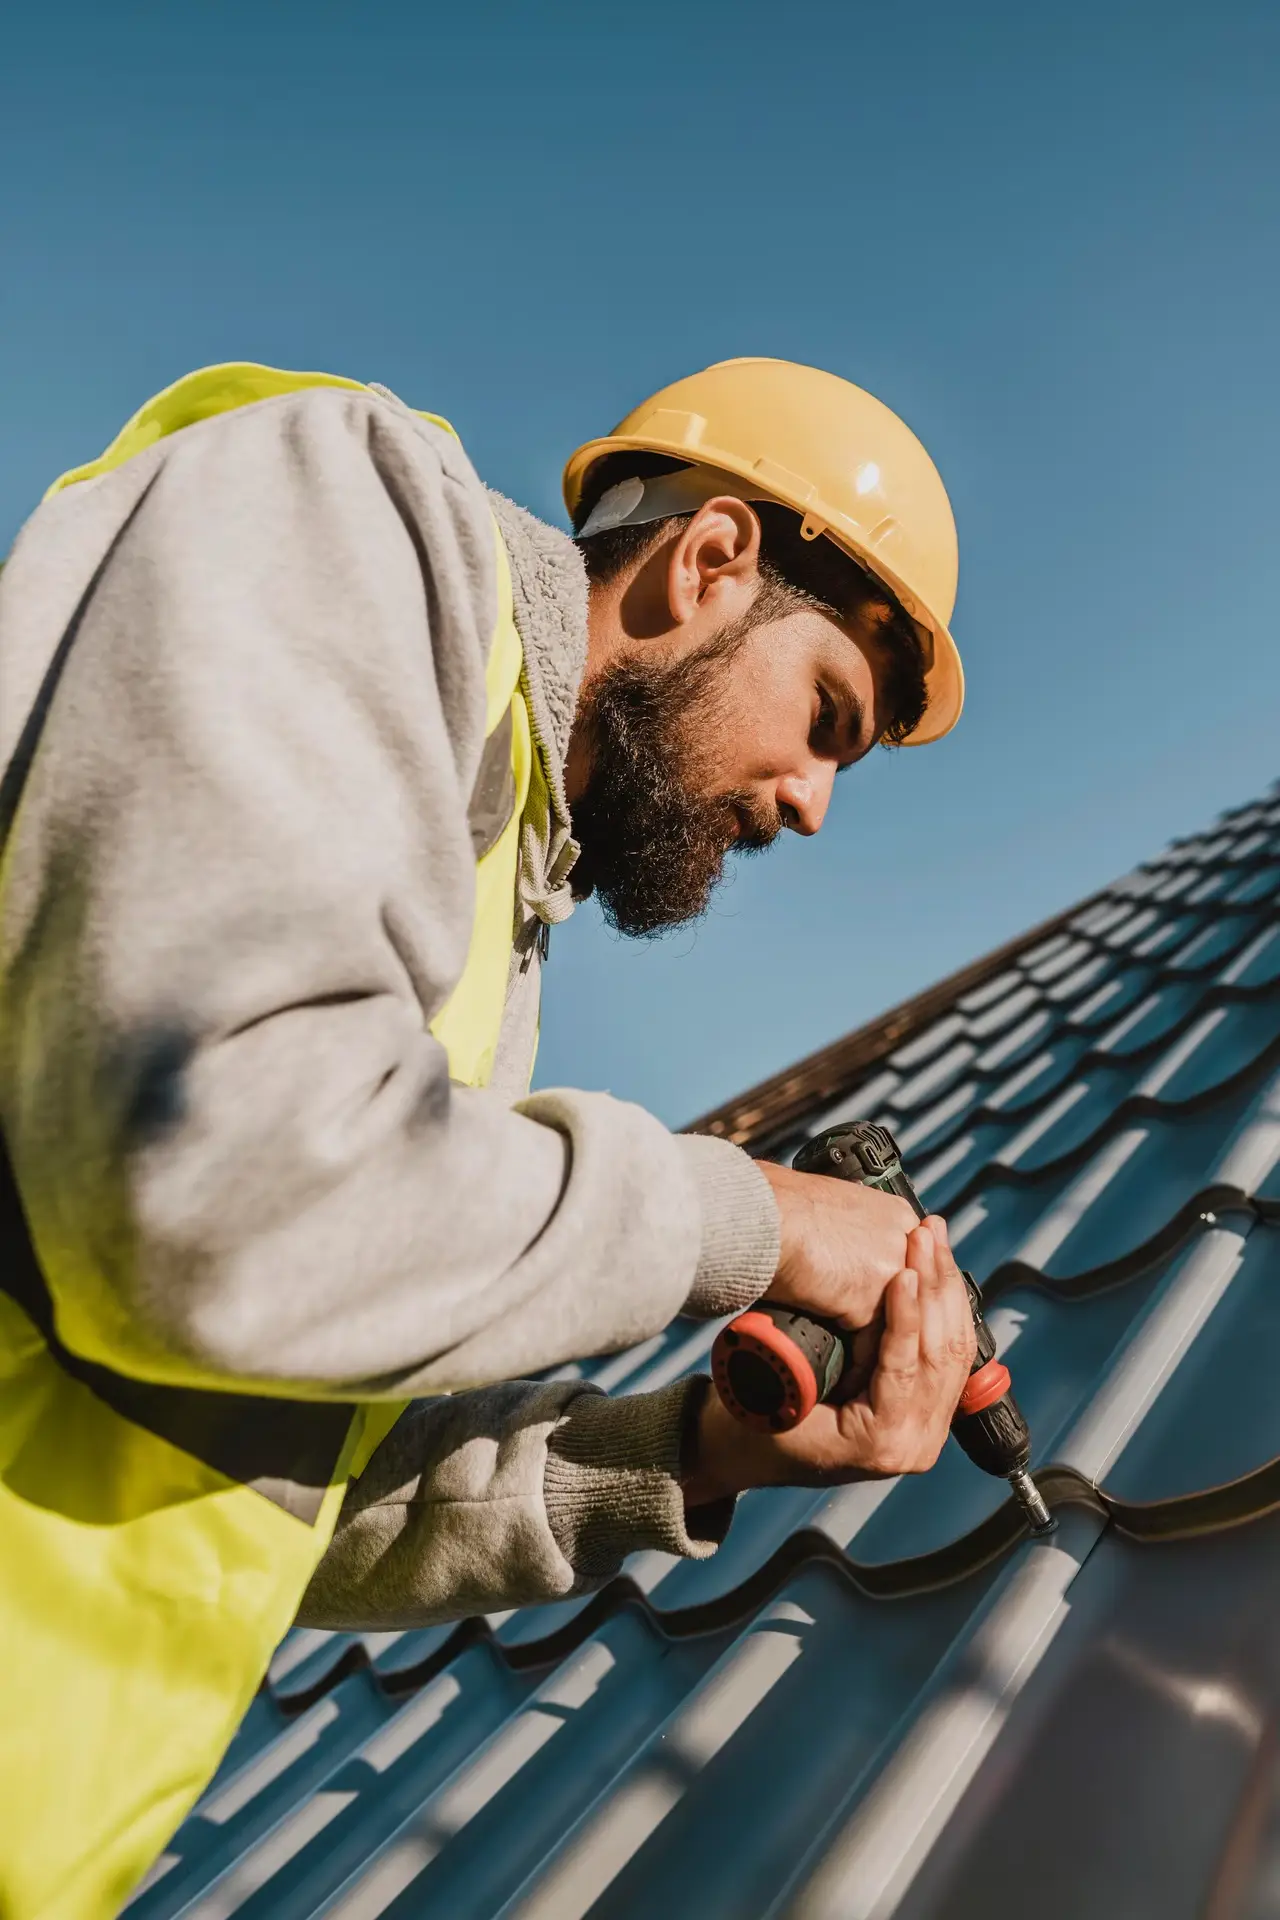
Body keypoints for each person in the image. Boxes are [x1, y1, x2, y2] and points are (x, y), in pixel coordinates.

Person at [0, 356, 977, 1914]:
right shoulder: (347, 511)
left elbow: (294, 1478)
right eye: (826, 721)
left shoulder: (490, 927)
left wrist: (699, 1449)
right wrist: (764, 1223)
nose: (811, 805)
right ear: (708, 561)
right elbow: (210, 1198)